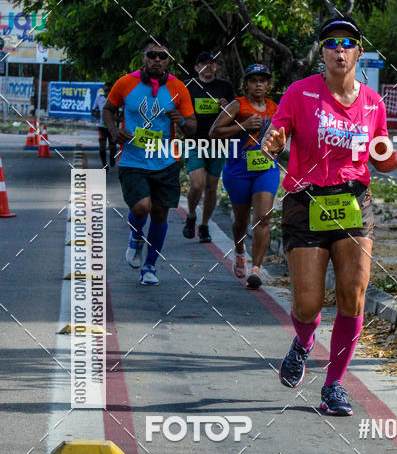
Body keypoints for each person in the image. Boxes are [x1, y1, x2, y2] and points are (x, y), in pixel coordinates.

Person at [262, 16, 397, 416]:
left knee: (353, 295)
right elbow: (276, 136)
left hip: (354, 203)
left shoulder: (373, 103)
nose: (340, 50)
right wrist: (275, 139)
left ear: (358, 51)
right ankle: (303, 342)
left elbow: (381, 158)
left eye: (348, 43)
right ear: (322, 52)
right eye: (332, 43)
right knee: (307, 303)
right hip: (306, 202)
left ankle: (334, 384)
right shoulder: (300, 94)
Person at [102, 37, 196, 285]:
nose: (157, 59)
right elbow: (108, 109)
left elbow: (193, 127)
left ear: (169, 60)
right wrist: (113, 131)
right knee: (141, 207)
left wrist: (181, 121)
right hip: (133, 159)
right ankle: (135, 237)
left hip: (166, 161)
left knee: (160, 214)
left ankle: (150, 266)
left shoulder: (179, 89)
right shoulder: (125, 83)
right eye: (152, 55)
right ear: (143, 57)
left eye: (162, 56)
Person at [210, 64, 279, 289]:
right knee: (241, 220)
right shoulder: (237, 105)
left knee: (263, 217)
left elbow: (285, 134)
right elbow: (214, 132)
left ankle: (256, 269)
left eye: (263, 80)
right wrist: (243, 126)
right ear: (246, 84)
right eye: (253, 80)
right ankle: (240, 251)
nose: (258, 84)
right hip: (238, 171)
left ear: (268, 85)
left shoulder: (274, 108)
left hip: (266, 169)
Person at [183, 52, 235, 243]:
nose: (208, 67)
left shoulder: (225, 86)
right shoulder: (188, 86)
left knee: (212, 187)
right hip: (194, 141)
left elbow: (235, 112)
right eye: (203, 64)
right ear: (196, 68)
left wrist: (227, 107)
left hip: (218, 142)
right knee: (197, 183)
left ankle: (204, 225)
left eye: (211, 63)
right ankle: (191, 215)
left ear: (216, 67)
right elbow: (177, 110)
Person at [92, 81, 116, 167]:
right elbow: (93, 111)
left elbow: (121, 112)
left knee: (112, 146)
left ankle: (112, 157)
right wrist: (98, 115)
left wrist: (118, 118)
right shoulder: (99, 98)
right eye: (106, 90)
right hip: (101, 126)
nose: (107, 92)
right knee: (102, 146)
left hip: (112, 126)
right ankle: (104, 165)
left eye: (109, 90)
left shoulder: (116, 99)